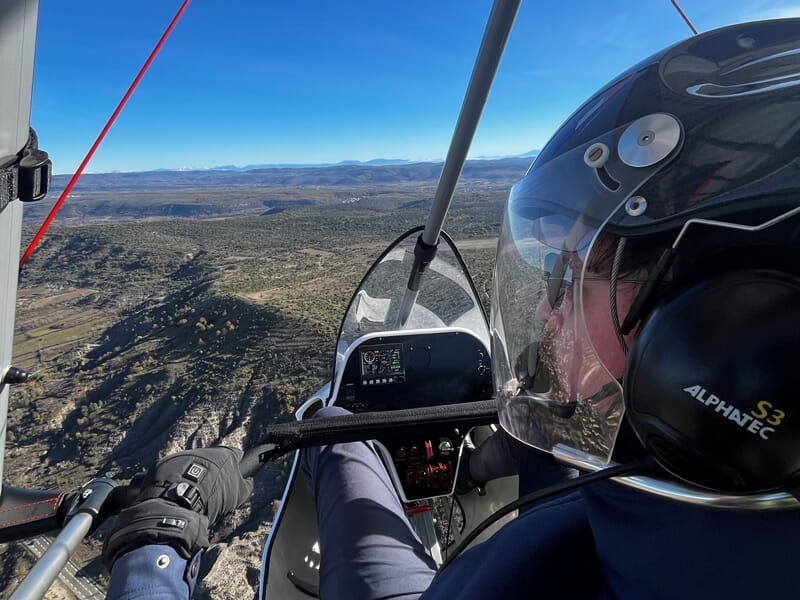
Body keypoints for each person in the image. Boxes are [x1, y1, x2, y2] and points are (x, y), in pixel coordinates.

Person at [104, 18, 800, 599]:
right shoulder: (710, 525)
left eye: (568, 278)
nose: (550, 317)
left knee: (336, 432)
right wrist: (488, 455)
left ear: (731, 335)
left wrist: (153, 552)